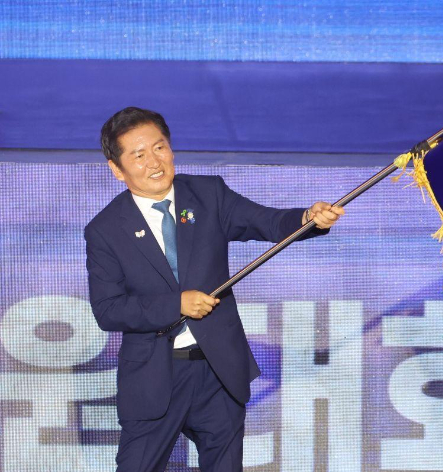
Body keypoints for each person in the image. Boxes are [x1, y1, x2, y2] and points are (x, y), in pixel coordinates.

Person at [84, 107, 344, 472]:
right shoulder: (105, 230)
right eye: (139, 155)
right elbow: (108, 310)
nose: (154, 162)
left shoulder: (208, 195)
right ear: (117, 169)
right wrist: (176, 304)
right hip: (154, 378)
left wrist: (307, 219)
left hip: (217, 372)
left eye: (159, 147)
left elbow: (267, 222)